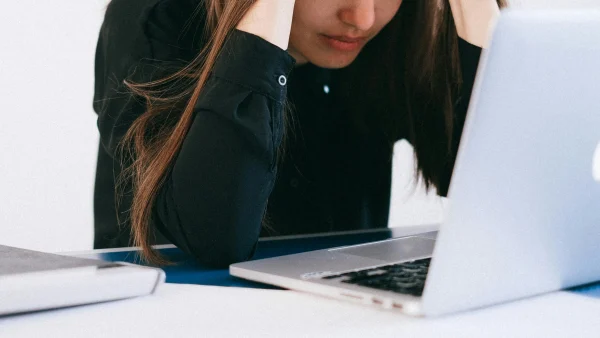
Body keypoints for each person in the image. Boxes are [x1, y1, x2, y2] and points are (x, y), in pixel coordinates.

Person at [93, 0, 506, 267]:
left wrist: (484, 19)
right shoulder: (155, 16)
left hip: (346, 313)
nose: (361, 18)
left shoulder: (394, 28)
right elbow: (214, 237)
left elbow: (498, 195)